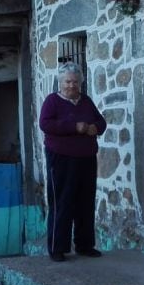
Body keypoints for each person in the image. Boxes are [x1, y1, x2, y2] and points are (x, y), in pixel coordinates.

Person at [39, 61, 107, 262]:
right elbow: (45, 124)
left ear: (81, 83)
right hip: (61, 159)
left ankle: (85, 245)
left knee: (85, 202)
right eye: (68, 81)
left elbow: (101, 122)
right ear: (60, 82)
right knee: (62, 202)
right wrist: (73, 127)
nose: (71, 85)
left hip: (86, 158)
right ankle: (57, 248)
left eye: (75, 82)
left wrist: (96, 127)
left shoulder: (85, 101)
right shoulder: (52, 101)